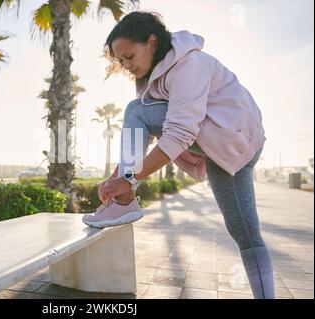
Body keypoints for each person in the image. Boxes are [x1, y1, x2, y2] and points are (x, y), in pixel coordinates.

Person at [81, 11, 274, 299]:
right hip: (223, 144)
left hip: (231, 139)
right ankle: (124, 199)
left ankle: (126, 200)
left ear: (152, 42)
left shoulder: (188, 65)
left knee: (135, 110)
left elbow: (179, 133)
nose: (126, 65)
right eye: (121, 61)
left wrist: (127, 180)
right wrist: (116, 178)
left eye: (129, 56)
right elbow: (141, 135)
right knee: (244, 231)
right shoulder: (154, 75)